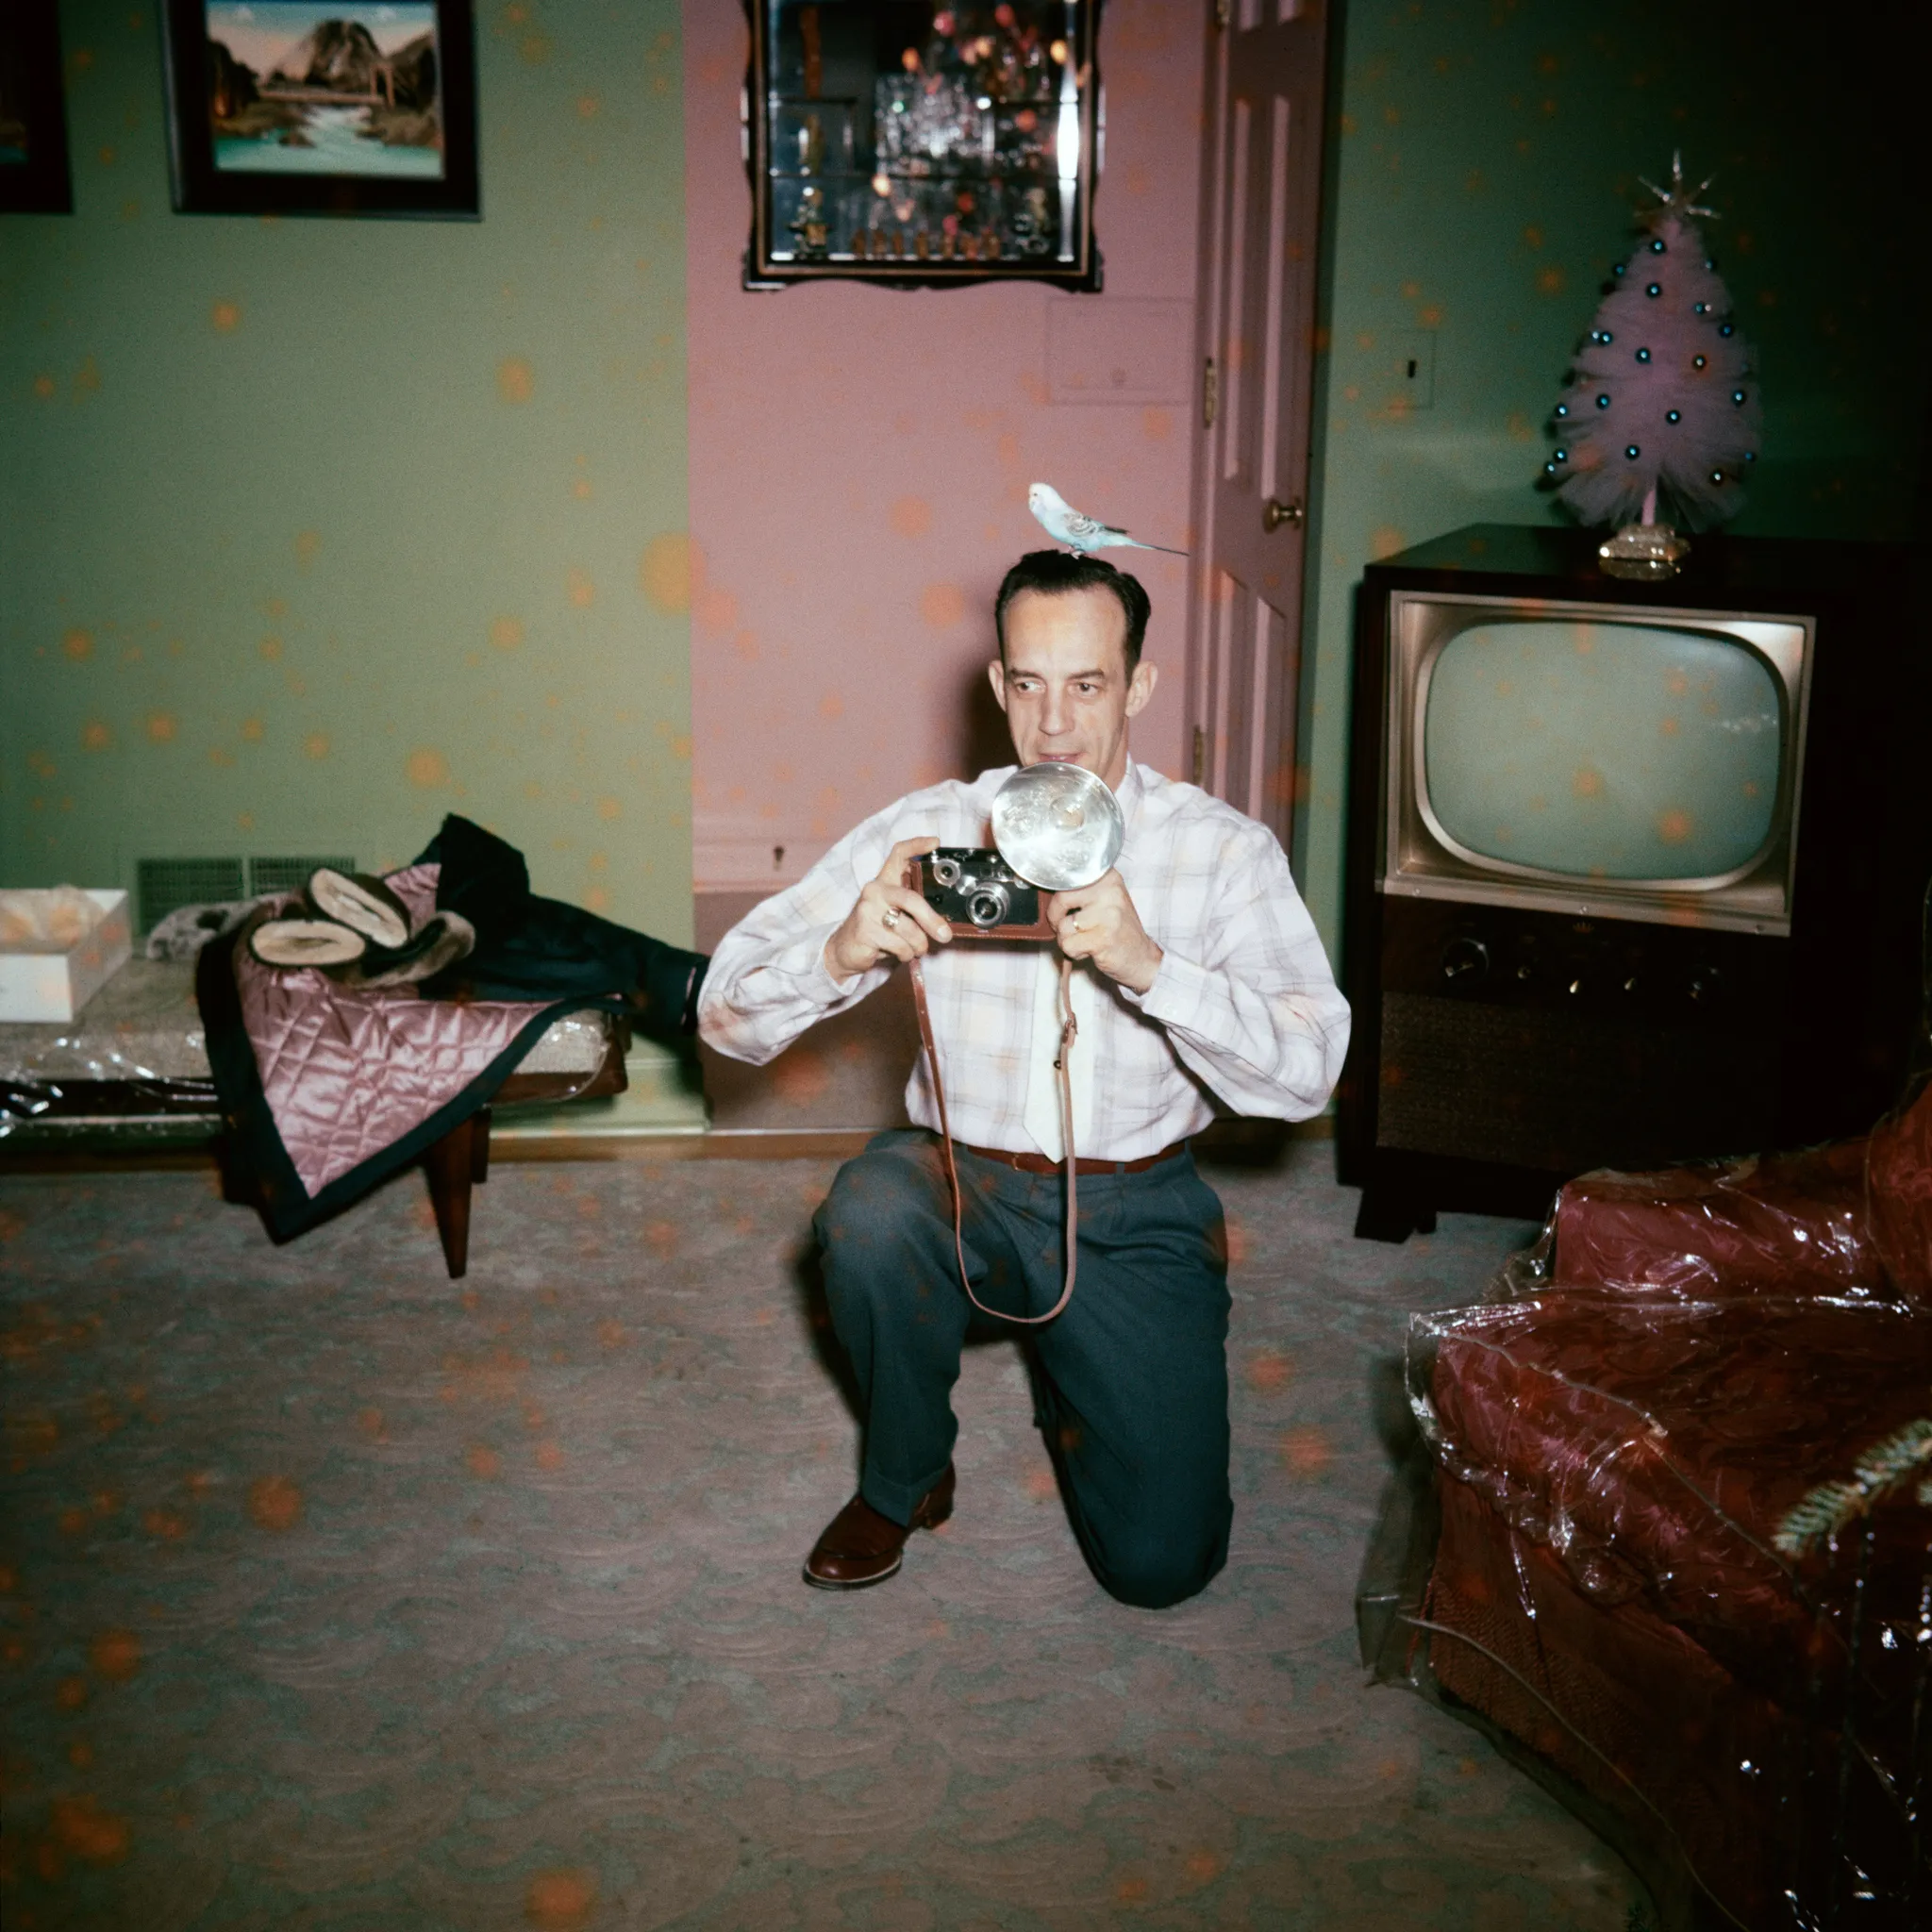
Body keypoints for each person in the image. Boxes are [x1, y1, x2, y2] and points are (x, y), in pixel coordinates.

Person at [699, 550, 1349, 1607]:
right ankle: (906, 1472)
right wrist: (839, 953)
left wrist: (1154, 967)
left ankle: (1076, 1364)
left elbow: (1310, 1072)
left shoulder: (1222, 852)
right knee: (869, 1215)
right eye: (1029, 683)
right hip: (964, 1184)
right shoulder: (927, 829)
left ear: (1137, 686)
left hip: (1133, 1205)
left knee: (1161, 1569)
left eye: (1087, 684)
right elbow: (723, 1010)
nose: (1054, 723)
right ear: (999, 685)